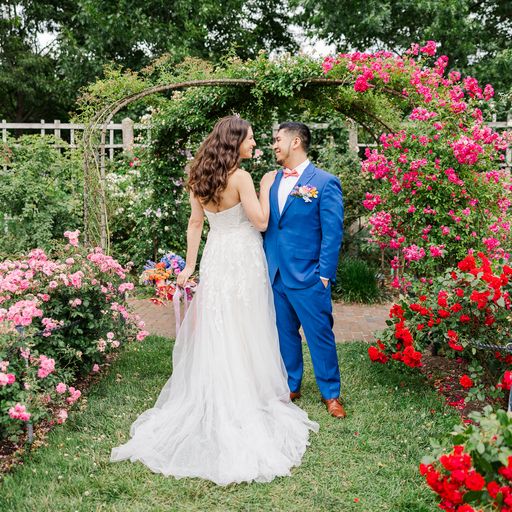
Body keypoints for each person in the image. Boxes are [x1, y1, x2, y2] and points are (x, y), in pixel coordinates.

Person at [110, 116, 318, 485]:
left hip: (217, 258)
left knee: (221, 325)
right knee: (249, 324)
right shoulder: (242, 177)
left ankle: (222, 387)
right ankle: (249, 395)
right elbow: (262, 223)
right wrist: (269, 185)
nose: (255, 144)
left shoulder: (199, 177)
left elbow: (194, 224)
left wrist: (190, 265)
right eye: (251, 139)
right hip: (244, 258)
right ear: (234, 142)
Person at [264, 122, 346, 418]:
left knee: (319, 334)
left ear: (295, 141)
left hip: (310, 275)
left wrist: (323, 275)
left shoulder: (325, 182)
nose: (273, 145)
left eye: (277, 139)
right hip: (276, 274)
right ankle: (291, 384)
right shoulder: (272, 180)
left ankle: (331, 394)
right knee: (284, 333)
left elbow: (333, 233)